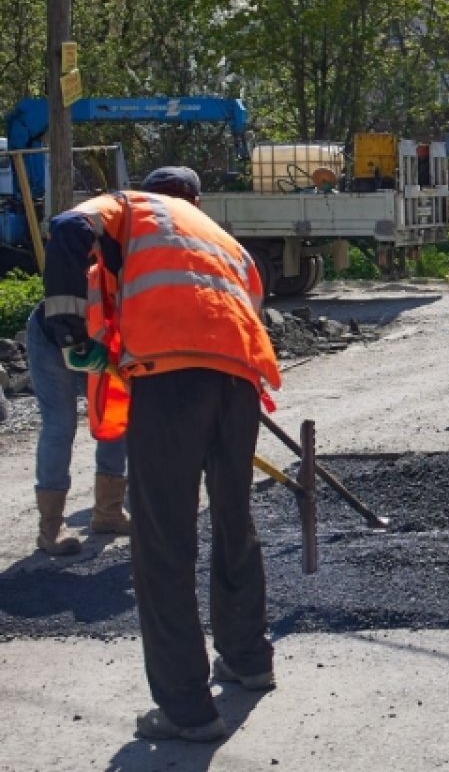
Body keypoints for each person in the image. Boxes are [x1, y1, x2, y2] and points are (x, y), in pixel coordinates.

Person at [42, 166, 282, 742]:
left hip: (171, 384)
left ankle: (186, 709)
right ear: (195, 200)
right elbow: (244, 307)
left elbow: (68, 227)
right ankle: (249, 659)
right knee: (233, 521)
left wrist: (69, 329)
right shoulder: (225, 242)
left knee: (164, 539)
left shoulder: (129, 206)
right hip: (239, 383)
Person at [27, 296, 130, 556]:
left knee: (112, 417)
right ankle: (50, 528)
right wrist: (74, 342)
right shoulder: (72, 253)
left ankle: (109, 512)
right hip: (53, 335)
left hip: (98, 337)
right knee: (60, 426)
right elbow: (62, 293)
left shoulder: (131, 254)